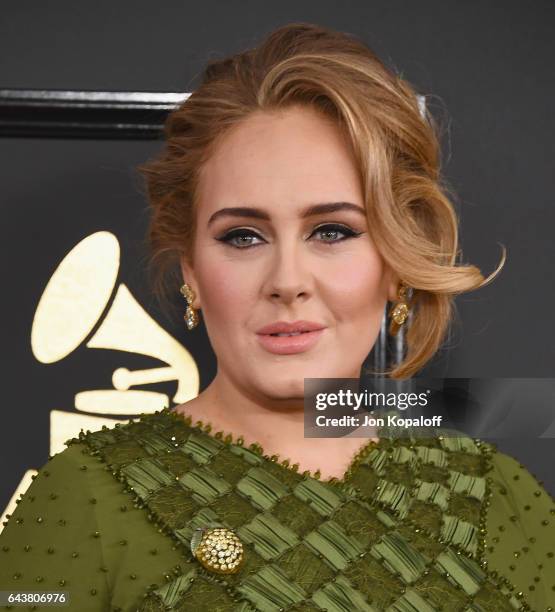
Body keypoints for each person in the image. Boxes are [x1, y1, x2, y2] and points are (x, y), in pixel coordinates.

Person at [1, 22, 554, 612]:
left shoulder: (495, 495)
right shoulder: (86, 494)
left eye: (333, 231)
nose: (287, 281)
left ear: (396, 260)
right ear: (191, 269)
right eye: (243, 237)